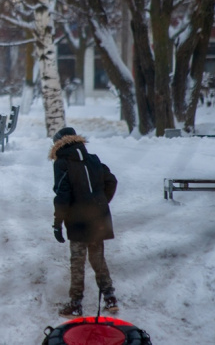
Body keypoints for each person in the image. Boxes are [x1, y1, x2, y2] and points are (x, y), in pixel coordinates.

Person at [50, 127, 119, 319]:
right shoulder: (93, 159)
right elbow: (111, 180)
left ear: (59, 143)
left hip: (78, 219)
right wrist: (101, 202)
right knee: (98, 259)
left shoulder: (62, 163)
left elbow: (62, 196)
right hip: (98, 217)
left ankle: (76, 304)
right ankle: (110, 298)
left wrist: (57, 223)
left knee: (77, 261)